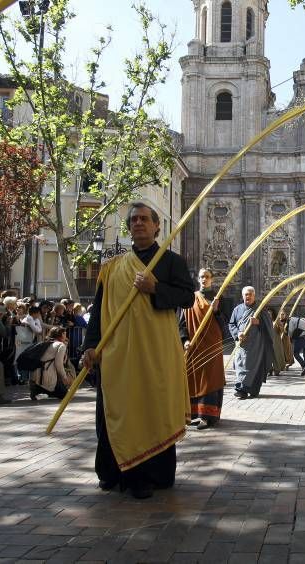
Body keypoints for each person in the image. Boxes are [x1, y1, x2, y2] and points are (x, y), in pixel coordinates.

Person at [82, 202, 194, 499]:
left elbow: (187, 298)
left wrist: (155, 288)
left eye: (145, 219)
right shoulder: (111, 268)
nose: (139, 224)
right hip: (117, 354)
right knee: (117, 410)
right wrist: (90, 346)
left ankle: (149, 476)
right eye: (133, 220)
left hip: (155, 354)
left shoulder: (171, 261)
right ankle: (113, 472)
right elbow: (98, 314)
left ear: (157, 226)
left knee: (151, 409)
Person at [179, 268, 226, 430]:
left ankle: (207, 417)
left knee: (210, 380)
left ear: (212, 279)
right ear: (198, 280)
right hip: (194, 346)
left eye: (207, 277)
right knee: (193, 379)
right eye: (201, 277)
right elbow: (182, 323)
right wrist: (185, 340)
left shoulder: (219, 298)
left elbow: (225, 325)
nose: (204, 279)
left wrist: (216, 311)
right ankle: (193, 415)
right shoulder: (190, 298)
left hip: (212, 346)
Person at [228, 286, 275, 399]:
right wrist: (237, 333)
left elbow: (269, 326)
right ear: (242, 296)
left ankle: (253, 389)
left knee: (254, 367)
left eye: (250, 294)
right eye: (246, 294)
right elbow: (231, 324)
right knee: (241, 365)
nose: (248, 296)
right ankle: (241, 390)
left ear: (254, 296)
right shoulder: (237, 309)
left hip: (257, 346)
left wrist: (259, 322)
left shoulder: (261, 310)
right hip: (242, 344)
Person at [29, 326, 75, 400]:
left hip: (34, 379)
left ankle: (38, 390)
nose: (66, 335)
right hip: (48, 380)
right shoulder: (61, 345)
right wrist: (65, 378)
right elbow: (59, 365)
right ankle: (47, 392)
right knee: (68, 396)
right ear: (62, 334)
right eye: (64, 333)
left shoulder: (44, 343)